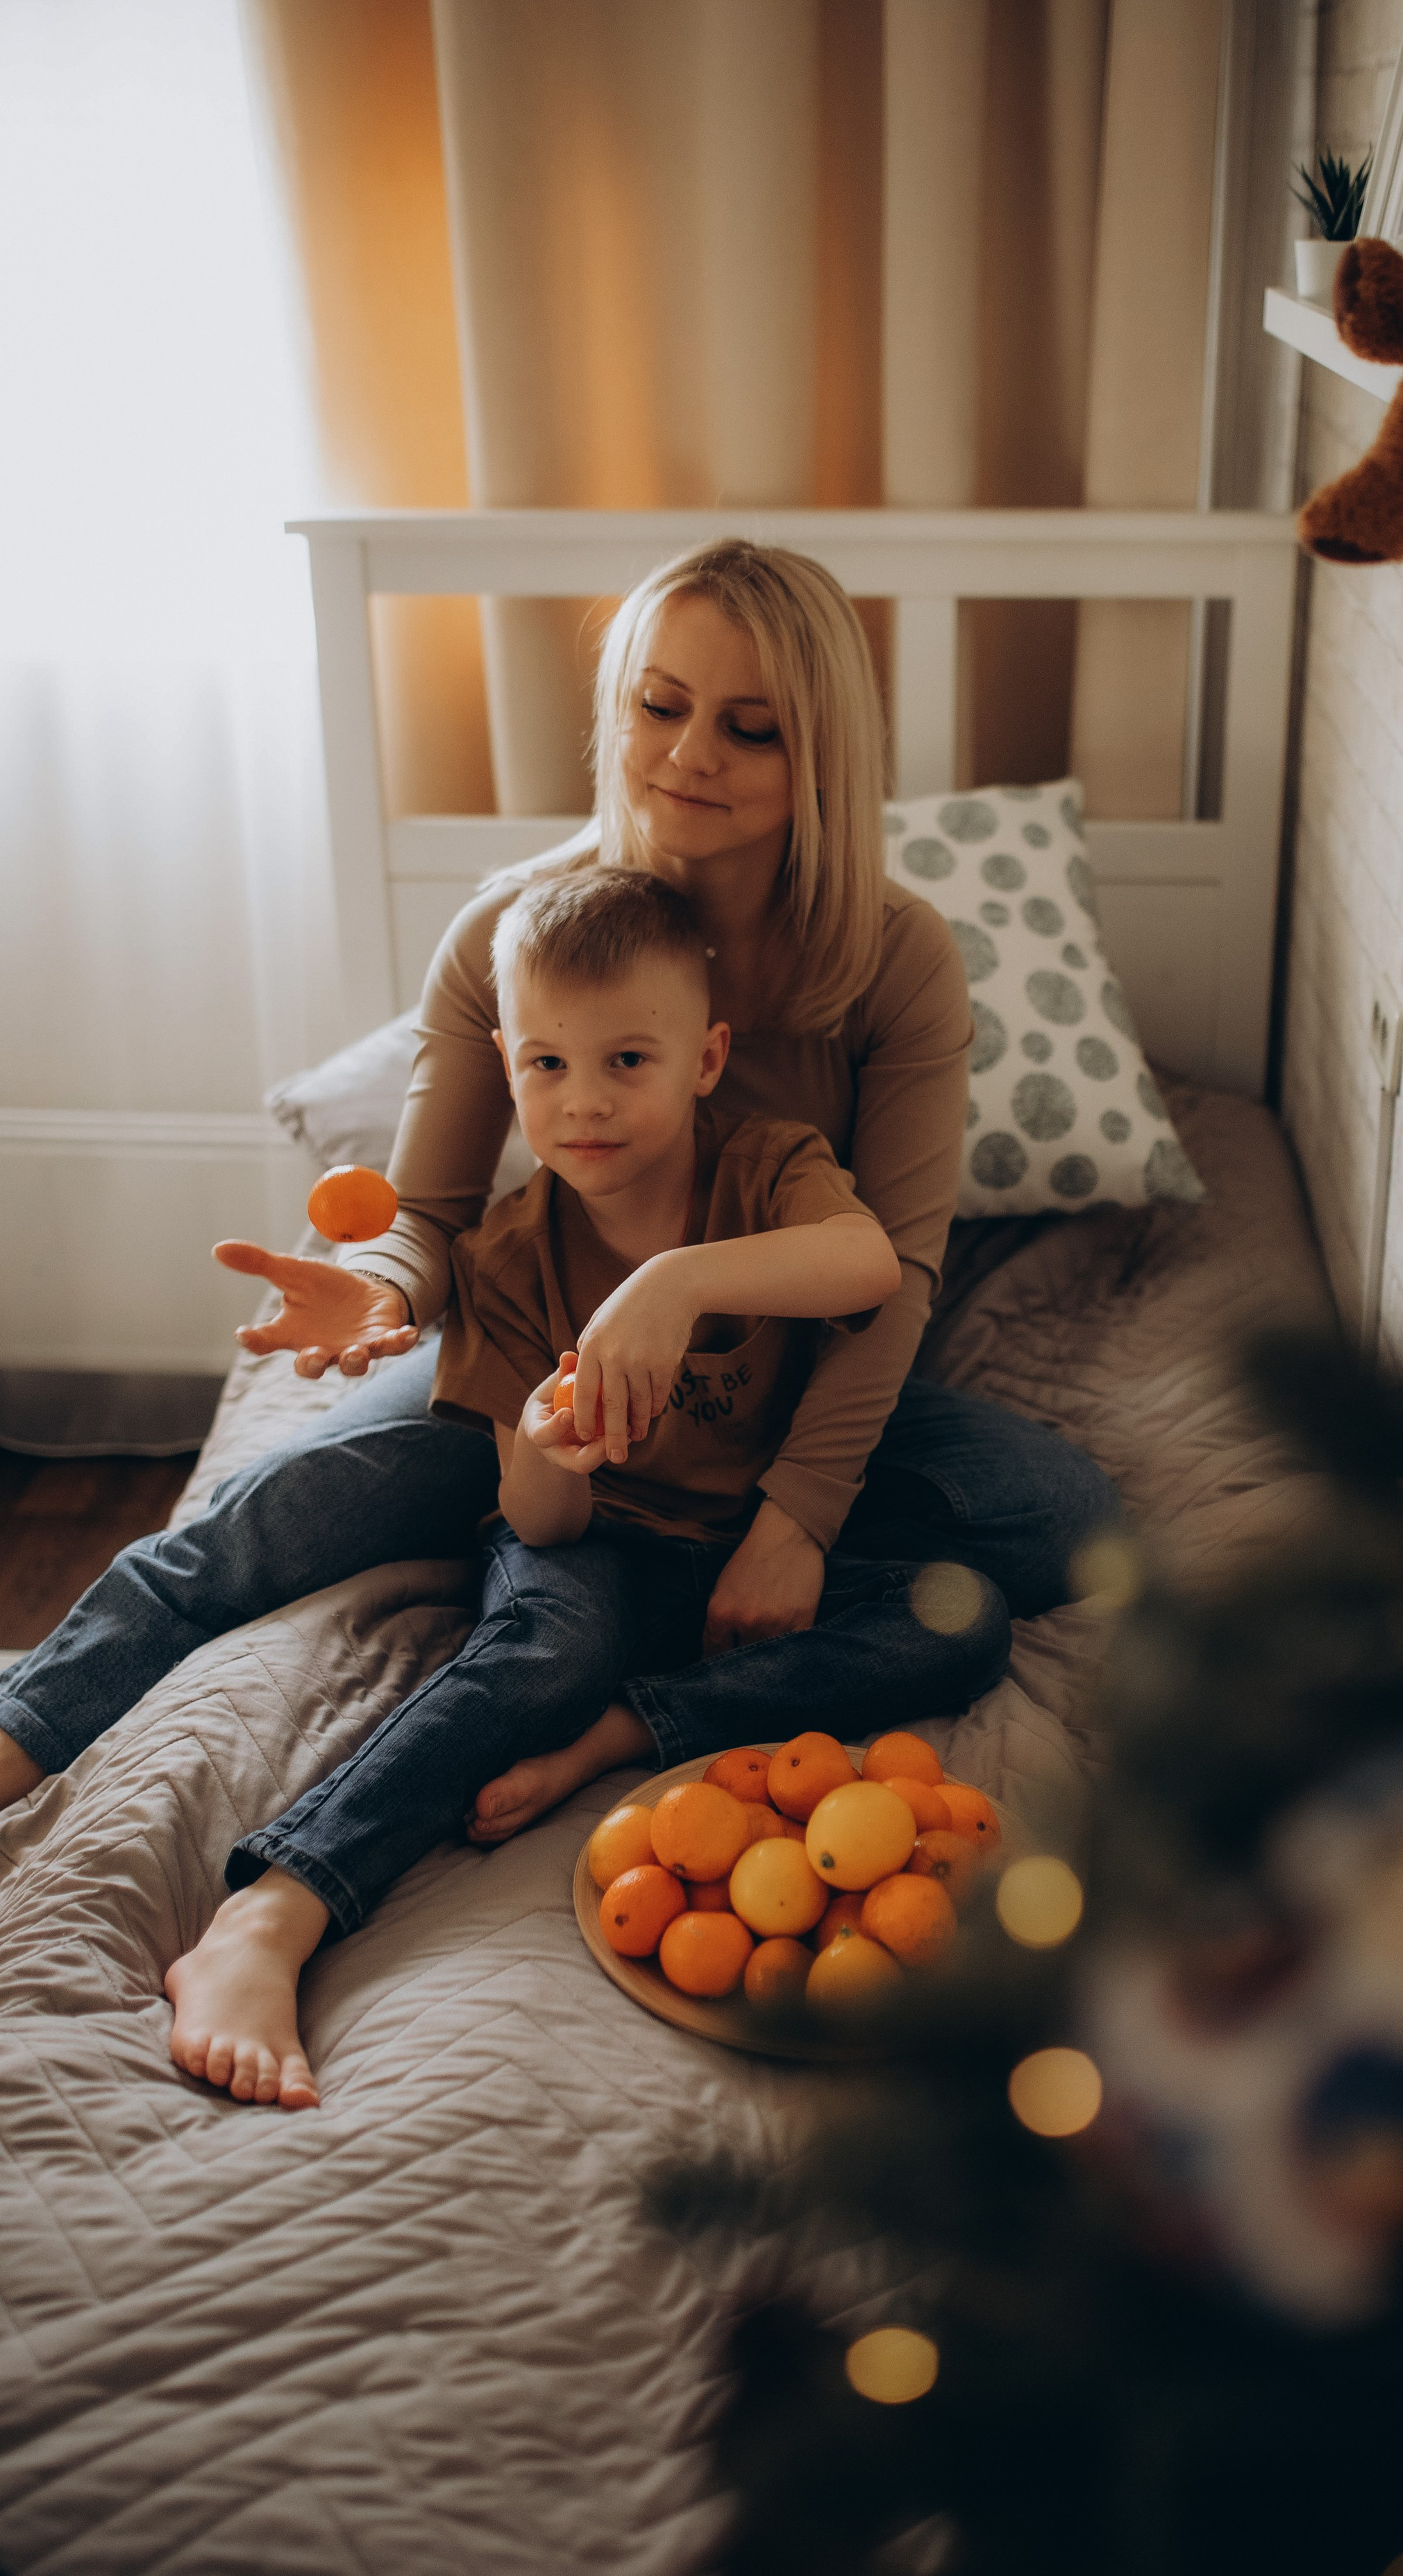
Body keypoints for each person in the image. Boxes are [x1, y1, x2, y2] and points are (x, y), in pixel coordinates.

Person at [0, 537, 1115, 1851]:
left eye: (750, 728)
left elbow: (896, 1271)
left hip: (796, 1372)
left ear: (821, 753)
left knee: (1062, 1522)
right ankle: (23, 1731)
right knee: (279, 1516)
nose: (692, 753)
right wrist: (384, 1291)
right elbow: (435, 1215)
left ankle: (643, 1665)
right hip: (551, 1368)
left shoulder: (894, 958)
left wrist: (797, 1516)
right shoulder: (507, 936)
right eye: (661, 706)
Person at [163, 863, 1005, 2108]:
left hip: (740, 1548)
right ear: (506, 1068)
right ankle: (277, 1911)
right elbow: (535, 1524)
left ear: (708, 1057)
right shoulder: (503, 1258)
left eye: (629, 1061)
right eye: (548, 1066)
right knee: (547, 1640)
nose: (586, 1103)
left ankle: (624, 1733)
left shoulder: (771, 1168)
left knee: (966, 1613)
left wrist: (677, 1282)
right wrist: (555, 1460)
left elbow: (868, 1262)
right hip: (595, 1550)